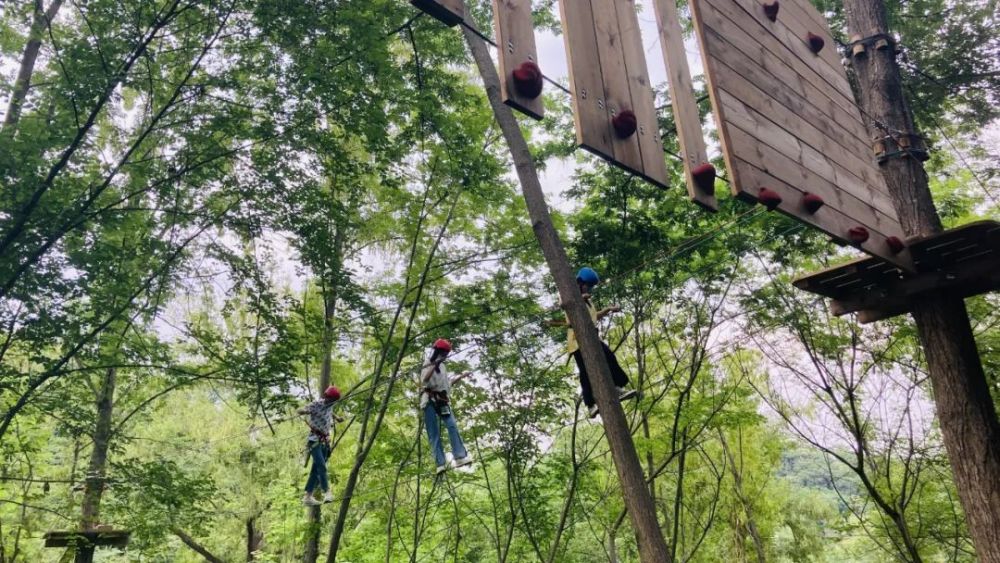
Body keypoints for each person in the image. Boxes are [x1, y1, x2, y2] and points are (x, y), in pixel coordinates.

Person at [548, 267, 637, 418]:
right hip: (577, 338)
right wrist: (579, 298)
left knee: (609, 356)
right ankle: (590, 404)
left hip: (592, 335)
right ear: (581, 283)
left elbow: (594, 316)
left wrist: (608, 309)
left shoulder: (588, 299)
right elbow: (563, 304)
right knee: (585, 370)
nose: (589, 288)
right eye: (588, 285)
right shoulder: (569, 293)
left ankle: (617, 387)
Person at [420, 338, 474, 475]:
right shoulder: (427, 363)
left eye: (446, 354)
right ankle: (440, 463)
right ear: (438, 352)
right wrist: (434, 364)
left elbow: (446, 384)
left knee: (452, 425)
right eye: (444, 353)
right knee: (434, 433)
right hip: (429, 400)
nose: (445, 357)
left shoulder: (443, 367)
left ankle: (460, 457)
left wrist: (461, 376)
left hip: (442, 400)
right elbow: (425, 380)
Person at [298, 385, 344, 506]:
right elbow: (300, 410)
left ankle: (307, 497)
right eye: (331, 400)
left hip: (324, 441)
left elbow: (330, 411)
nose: (332, 403)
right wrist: (305, 411)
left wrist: (337, 418)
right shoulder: (317, 404)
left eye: (334, 401)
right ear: (326, 397)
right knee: (322, 466)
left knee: (315, 470)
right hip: (314, 441)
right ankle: (327, 492)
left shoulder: (330, 405)